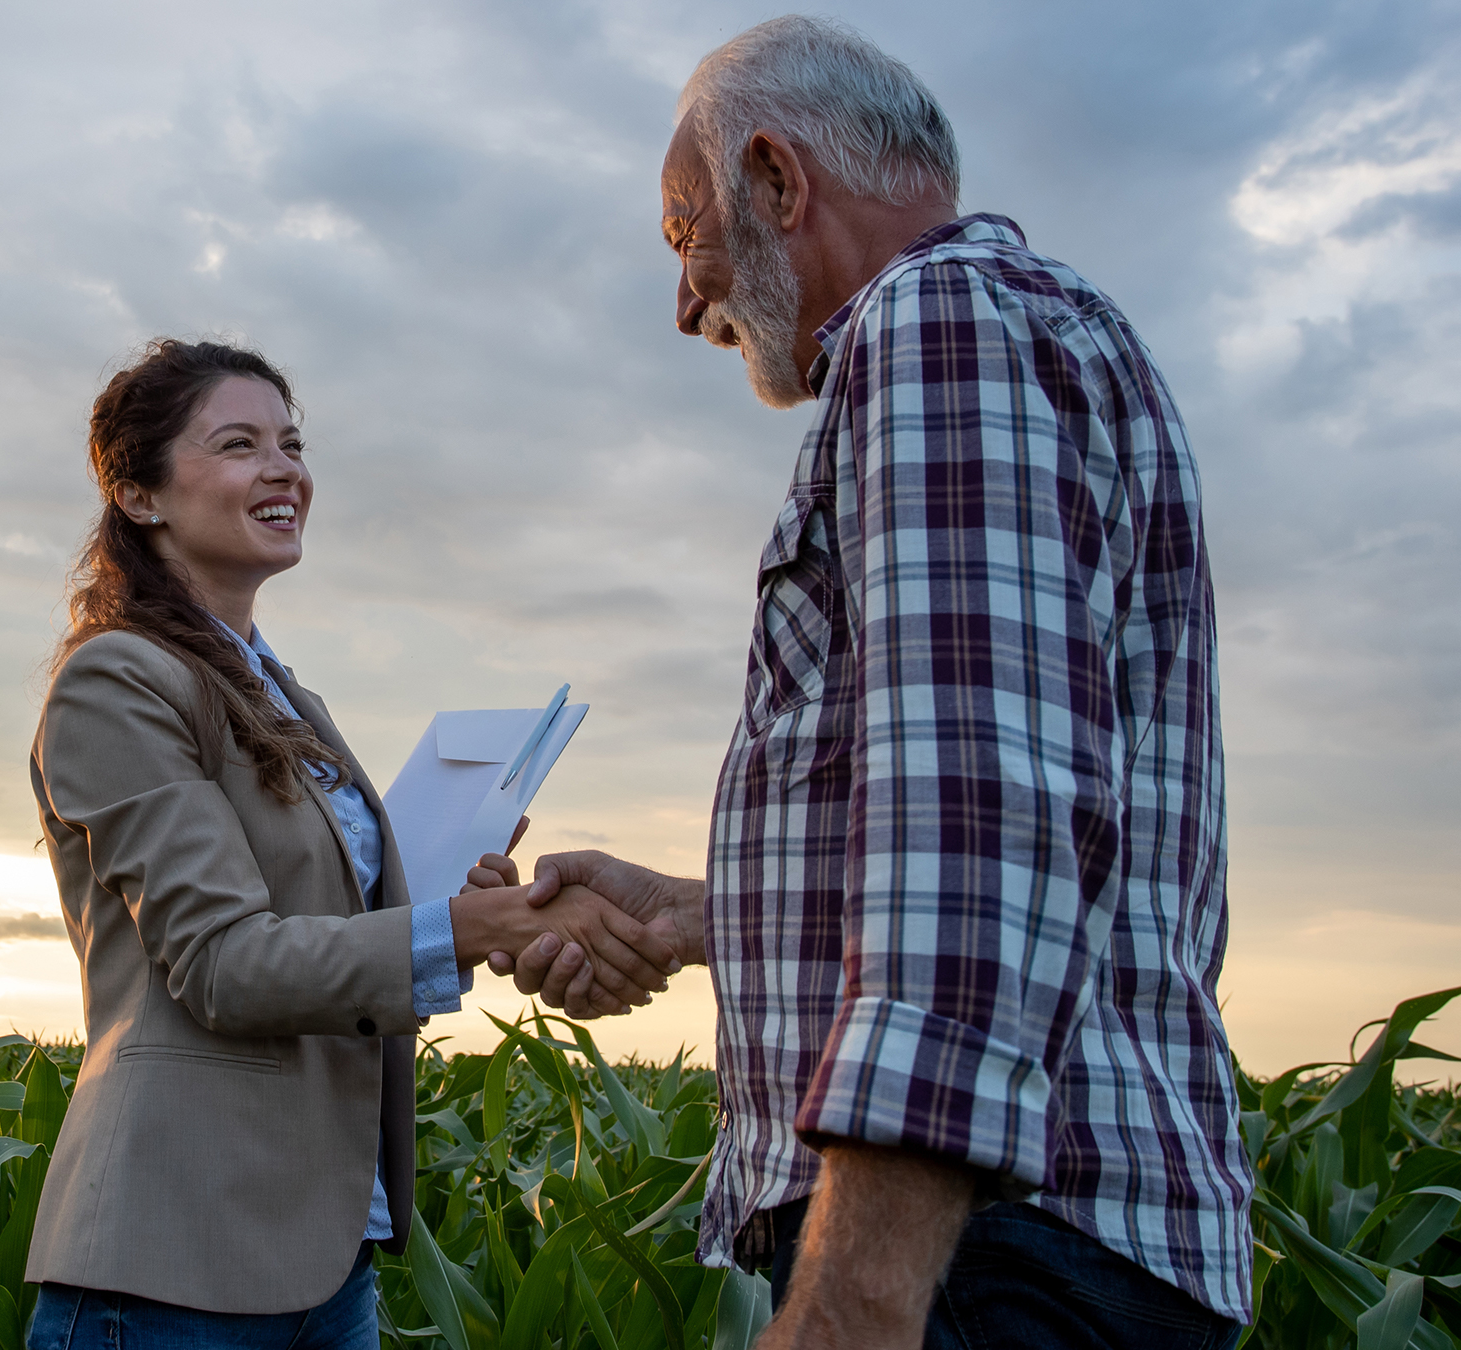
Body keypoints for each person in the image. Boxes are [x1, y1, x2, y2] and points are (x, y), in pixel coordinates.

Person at [491, 16, 1254, 1349]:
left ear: (779, 182)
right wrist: (688, 914)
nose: (687, 305)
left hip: (986, 1253)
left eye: (688, 237)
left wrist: (852, 1300)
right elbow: (1014, 823)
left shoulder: (937, 319)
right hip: (1017, 1241)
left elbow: (979, 823)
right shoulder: (1014, 334)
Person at [21, 338, 671, 1348]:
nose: (284, 469)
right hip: (176, 1263)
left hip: (329, 1262)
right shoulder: (118, 680)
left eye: (292, 443)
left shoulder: (287, 696)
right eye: (239, 445)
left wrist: (460, 897)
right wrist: (460, 927)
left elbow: (328, 935)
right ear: (140, 492)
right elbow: (225, 963)